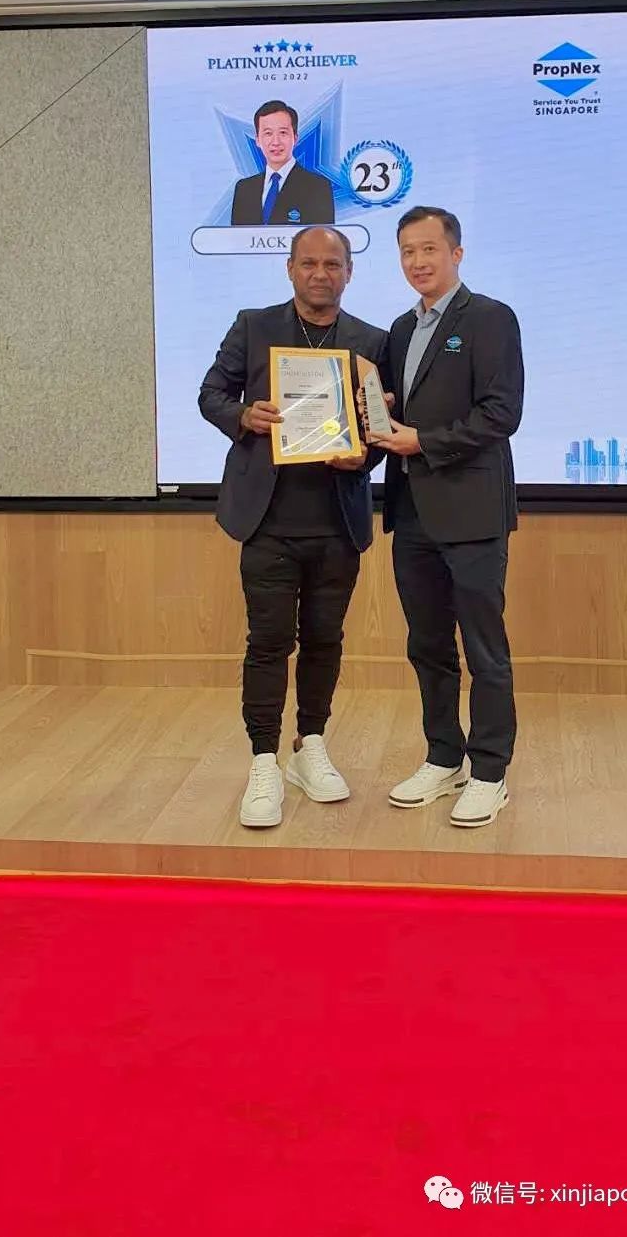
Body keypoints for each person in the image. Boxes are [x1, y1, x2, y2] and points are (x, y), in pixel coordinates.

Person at [199, 226, 386, 827]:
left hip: (336, 520)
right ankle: (263, 761)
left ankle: (311, 745)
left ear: (349, 272)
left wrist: (364, 457)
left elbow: (381, 426)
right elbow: (211, 393)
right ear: (290, 268)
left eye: (333, 264)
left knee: (325, 639)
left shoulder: (371, 342)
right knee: (268, 641)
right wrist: (243, 415)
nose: (320, 274)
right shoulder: (254, 326)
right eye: (309, 263)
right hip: (267, 520)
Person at [367, 206, 524, 828]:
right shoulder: (400, 329)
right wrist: (375, 411)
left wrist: (422, 441)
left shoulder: (489, 318)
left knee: (484, 649)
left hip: (473, 512)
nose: (418, 262)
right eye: (407, 251)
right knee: (427, 645)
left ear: (456, 253)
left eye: (429, 249)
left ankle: (489, 772)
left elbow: (501, 414)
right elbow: (395, 412)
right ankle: (443, 756)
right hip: (412, 514)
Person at [230, 101, 335, 226]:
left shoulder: (318, 187)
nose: (276, 142)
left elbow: (320, 236)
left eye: (283, 133)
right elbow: (236, 236)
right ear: (257, 140)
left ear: (295, 138)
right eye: (268, 133)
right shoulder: (243, 189)